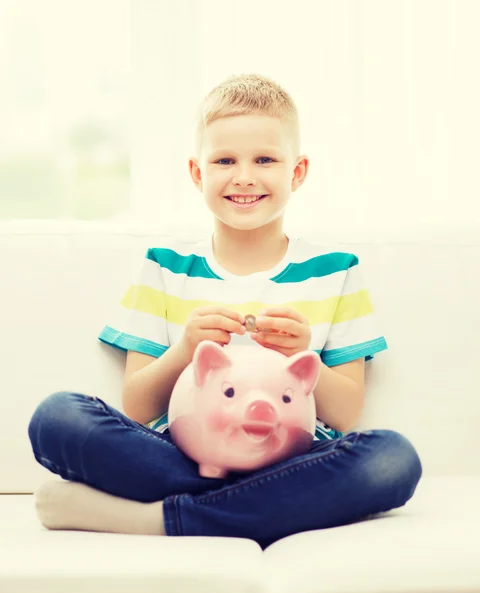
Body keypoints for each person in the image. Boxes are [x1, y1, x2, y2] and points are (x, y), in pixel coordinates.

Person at [28, 73, 422, 550]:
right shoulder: (164, 268)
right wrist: (186, 351)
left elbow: (346, 414)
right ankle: (262, 507)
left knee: (392, 458)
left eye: (265, 160)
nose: (244, 176)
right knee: (56, 417)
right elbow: (137, 405)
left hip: (291, 457)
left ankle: (160, 519)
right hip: (179, 453)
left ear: (296, 172)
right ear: (198, 173)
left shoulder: (337, 271)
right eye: (225, 161)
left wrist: (306, 359)